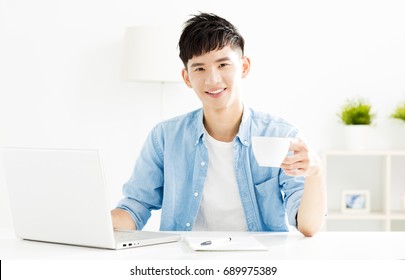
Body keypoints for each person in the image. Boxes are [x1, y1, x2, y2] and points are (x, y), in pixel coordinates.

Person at [111, 12, 326, 237]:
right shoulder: (165, 137)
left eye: (223, 64)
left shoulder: (281, 134)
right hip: (184, 263)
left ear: (244, 67)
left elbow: (308, 226)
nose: (212, 80)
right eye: (200, 68)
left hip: (258, 263)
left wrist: (316, 173)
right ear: (186, 77)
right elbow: (134, 210)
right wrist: (92, 221)